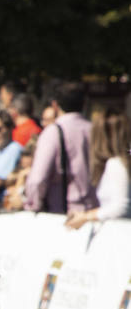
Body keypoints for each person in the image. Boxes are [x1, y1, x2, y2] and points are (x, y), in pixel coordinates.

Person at [22, 84, 96, 215]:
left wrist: (33, 205)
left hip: (63, 214)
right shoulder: (95, 131)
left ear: (55, 105)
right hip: (94, 212)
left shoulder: (53, 132)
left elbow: (38, 179)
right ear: (84, 104)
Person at [66, 109, 131, 226]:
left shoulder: (116, 164)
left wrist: (86, 217)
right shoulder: (119, 163)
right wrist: (85, 215)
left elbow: (121, 207)